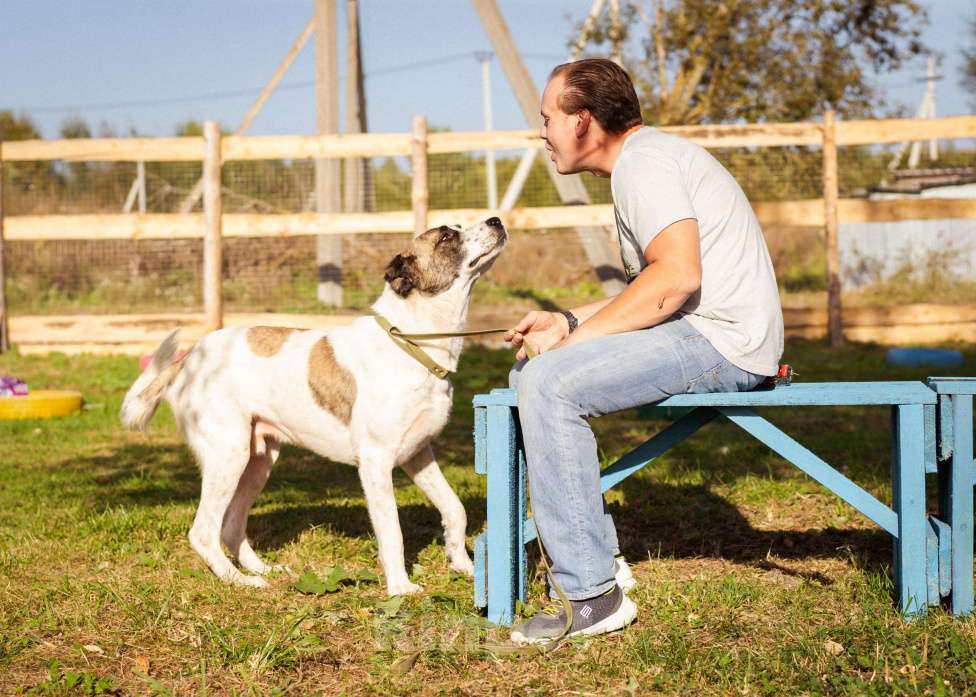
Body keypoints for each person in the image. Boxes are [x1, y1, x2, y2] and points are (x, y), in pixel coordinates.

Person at [504, 59, 784, 645]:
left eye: (548, 118)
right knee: (534, 369)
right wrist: (567, 321)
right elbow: (654, 285)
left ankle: (592, 596)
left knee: (548, 383)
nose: (542, 132)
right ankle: (596, 561)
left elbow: (676, 280)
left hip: (722, 341)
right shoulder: (643, 160)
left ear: (583, 121)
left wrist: (571, 349)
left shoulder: (644, 165)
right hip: (704, 329)